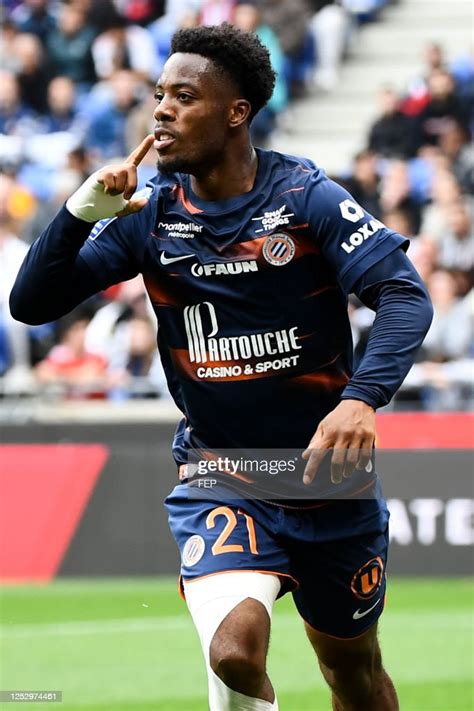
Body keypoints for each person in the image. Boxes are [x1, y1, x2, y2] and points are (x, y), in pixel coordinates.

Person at [10, 23, 432, 711]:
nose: (161, 111)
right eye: (157, 96)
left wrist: (362, 399)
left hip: (329, 478)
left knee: (351, 670)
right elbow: (31, 303)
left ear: (236, 111)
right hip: (222, 472)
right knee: (235, 649)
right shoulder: (151, 217)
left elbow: (404, 294)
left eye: (184, 96)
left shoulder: (305, 199)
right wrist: (83, 210)